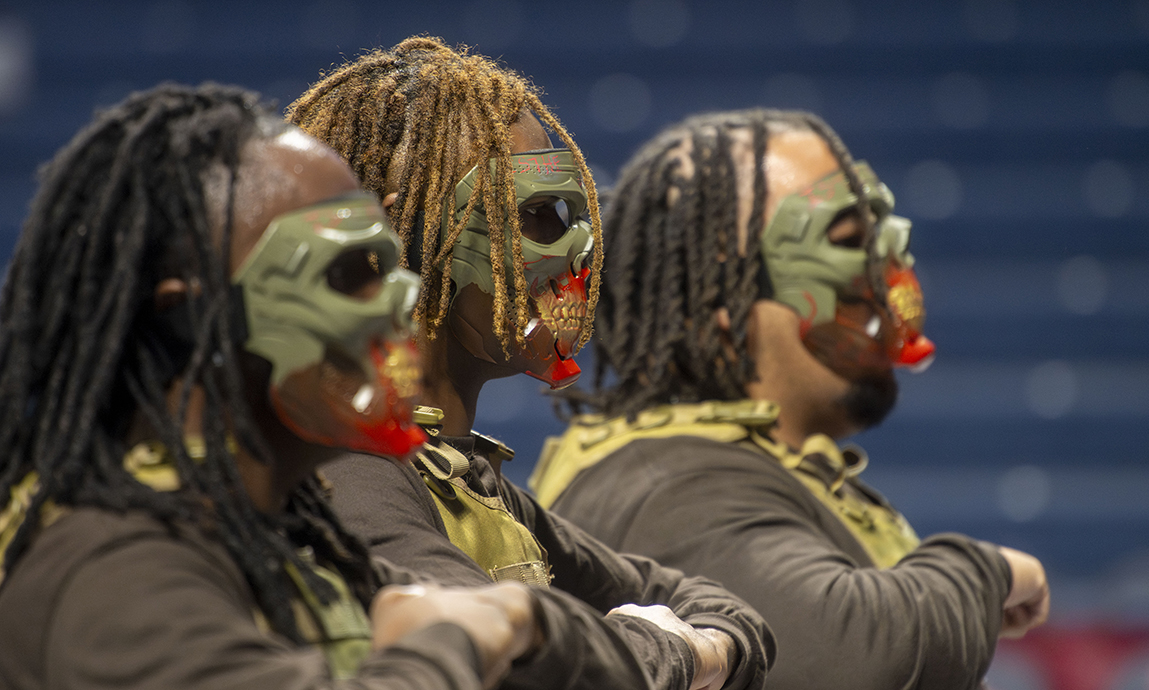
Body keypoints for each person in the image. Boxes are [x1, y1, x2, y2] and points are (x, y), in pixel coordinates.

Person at [0, 81, 619, 690]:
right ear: (195, 315)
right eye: (345, 274)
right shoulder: (115, 566)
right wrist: (461, 638)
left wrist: (528, 623)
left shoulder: (280, 531)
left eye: (385, 263)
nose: (400, 298)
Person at [289, 38, 772, 690]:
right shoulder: (343, 469)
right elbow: (520, 666)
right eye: (540, 215)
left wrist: (688, 647)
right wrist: (679, 652)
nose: (580, 248)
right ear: (401, 236)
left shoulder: (462, 477)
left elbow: (718, 608)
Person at [531, 109, 1051, 690]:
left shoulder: (736, 462)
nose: (889, 266)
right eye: (852, 240)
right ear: (718, 306)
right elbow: (849, 659)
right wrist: (988, 571)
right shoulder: (667, 486)